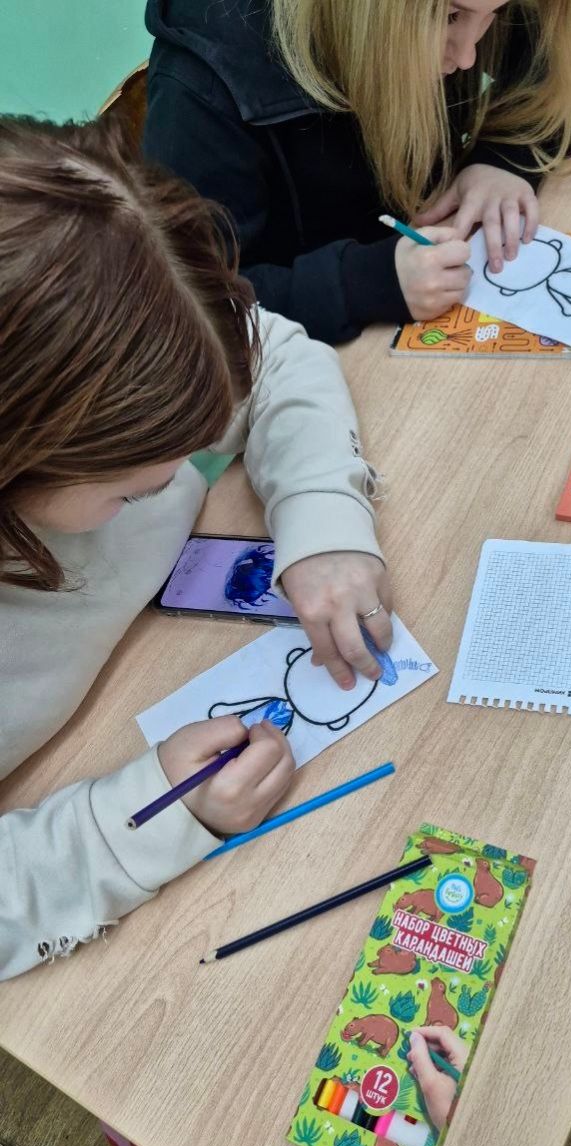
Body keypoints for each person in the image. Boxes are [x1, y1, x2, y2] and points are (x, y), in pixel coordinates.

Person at [0, 116, 392, 981]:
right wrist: (148, 818)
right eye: (135, 487)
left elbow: (274, 351)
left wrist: (322, 518)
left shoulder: (118, 337)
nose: (184, 469)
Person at [143, 0, 571, 345]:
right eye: (451, 17)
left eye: (496, 12)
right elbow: (180, 309)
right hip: (305, 369)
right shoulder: (202, 85)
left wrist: (504, 160)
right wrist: (361, 284)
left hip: (409, 327)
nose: (467, 57)